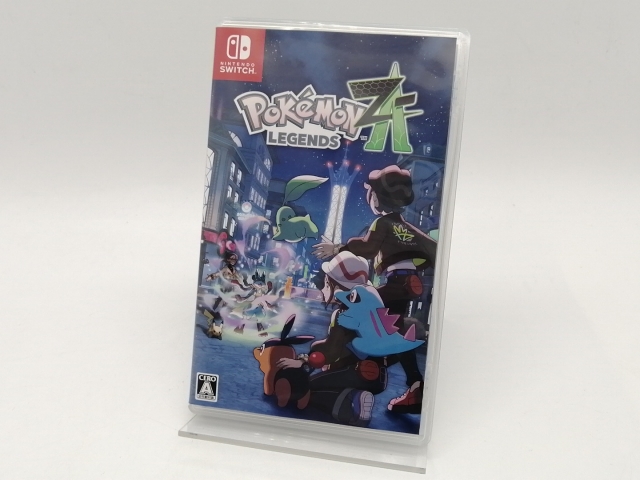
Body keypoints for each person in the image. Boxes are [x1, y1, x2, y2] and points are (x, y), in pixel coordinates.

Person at [313, 165, 437, 414]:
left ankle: (344, 359)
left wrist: (338, 249)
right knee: (396, 330)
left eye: (370, 193)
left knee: (354, 308)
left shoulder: (382, 223)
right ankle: (415, 385)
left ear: (377, 197)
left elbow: (368, 248)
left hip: (395, 282)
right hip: (407, 284)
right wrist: (417, 264)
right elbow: (435, 250)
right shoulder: (408, 228)